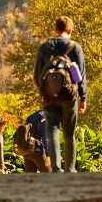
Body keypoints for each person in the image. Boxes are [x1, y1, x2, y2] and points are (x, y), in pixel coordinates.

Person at [33, 15, 86, 173]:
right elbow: (80, 75)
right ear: (70, 30)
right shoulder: (74, 47)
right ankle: (70, 168)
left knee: (52, 129)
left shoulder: (44, 47)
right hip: (70, 96)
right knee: (69, 132)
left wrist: (43, 91)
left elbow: (36, 75)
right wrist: (83, 98)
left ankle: (56, 167)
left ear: (55, 29)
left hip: (49, 96)